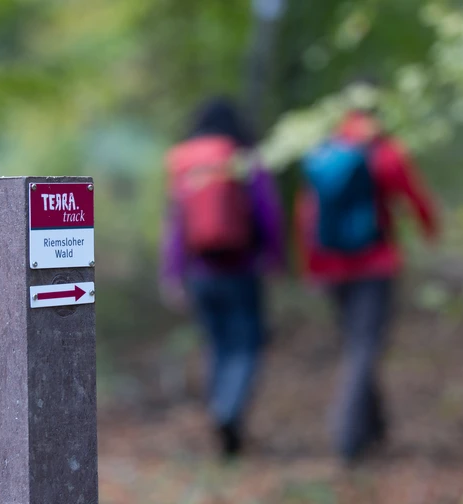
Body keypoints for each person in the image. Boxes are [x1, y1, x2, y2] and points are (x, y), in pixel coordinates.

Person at [295, 80, 440, 464]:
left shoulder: (324, 153)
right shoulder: (384, 153)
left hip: (329, 268)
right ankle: (346, 435)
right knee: (365, 347)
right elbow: (414, 196)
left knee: (358, 345)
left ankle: (375, 428)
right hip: (375, 264)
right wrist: (429, 230)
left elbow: (306, 213)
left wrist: (311, 266)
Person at [160, 96, 285, 458]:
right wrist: (274, 260)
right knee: (246, 344)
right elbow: (268, 214)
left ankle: (219, 409)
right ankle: (229, 411)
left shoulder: (184, 163)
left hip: (200, 272)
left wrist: (172, 274)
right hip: (242, 270)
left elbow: (174, 225)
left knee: (217, 345)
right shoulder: (243, 159)